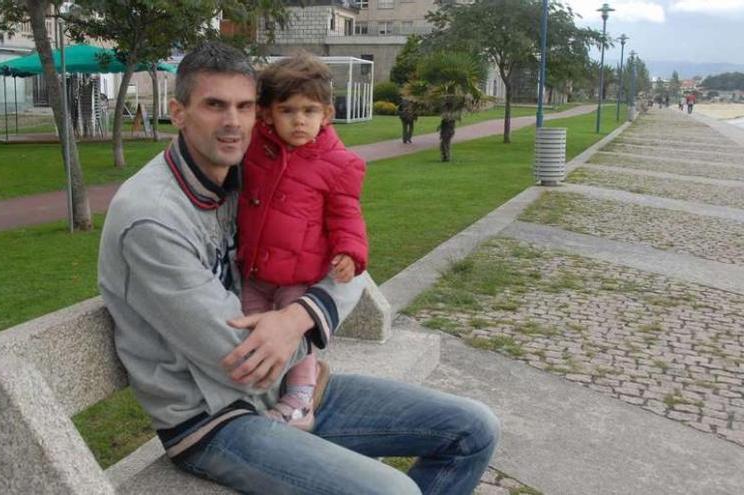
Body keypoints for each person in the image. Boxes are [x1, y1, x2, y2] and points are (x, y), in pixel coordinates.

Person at [98, 42, 498, 495]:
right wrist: (304, 326)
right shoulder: (151, 218)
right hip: (215, 420)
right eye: (214, 105)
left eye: (244, 106)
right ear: (178, 111)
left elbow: (349, 272)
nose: (233, 122)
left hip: (291, 389)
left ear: (259, 113)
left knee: (473, 430)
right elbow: (240, 361)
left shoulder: (256, 175)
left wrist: (297, 317)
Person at [237, 53, 367, 430]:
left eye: (309, 111)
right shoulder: (255, 150)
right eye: (287, 110)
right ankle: (259, 390)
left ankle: (300, 399)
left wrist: (350, 252)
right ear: (267, 115)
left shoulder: (340, 163)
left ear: (326, 114)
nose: (299, 120)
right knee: (249, 328)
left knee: (297, 334)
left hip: (299, 274)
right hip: (255, 269)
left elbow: (347, 214)